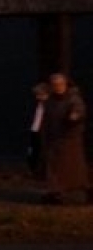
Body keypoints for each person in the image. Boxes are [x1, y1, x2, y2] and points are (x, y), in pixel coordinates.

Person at [39, 72, 89, 204]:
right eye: (54, 85)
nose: (58, 87)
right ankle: (56, 192)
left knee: (71, 166)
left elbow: (78, 110)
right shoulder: (50, 100)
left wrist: (74, 117)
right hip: (54, 138)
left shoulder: (73, 98)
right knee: (54, 166)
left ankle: (73, 192)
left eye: (60, 84)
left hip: (69, 139)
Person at [28, 82, 49, 179]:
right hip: (35, 130)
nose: (37, 97)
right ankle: (36, 171)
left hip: (43, 132)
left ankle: (42, 172)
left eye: (40, 94)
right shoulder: (38, 105)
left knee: (42, 152)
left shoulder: (49, 105)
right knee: (34, 151)